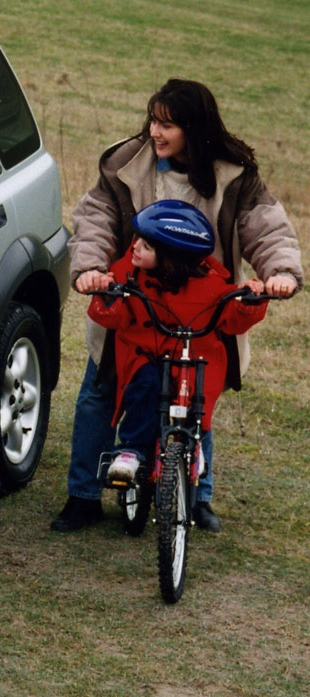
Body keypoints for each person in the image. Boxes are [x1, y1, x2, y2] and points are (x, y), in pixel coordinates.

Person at [53, 79, 301, 533]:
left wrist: (280, 272)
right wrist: (91, 268)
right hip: (133, 304)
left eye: (167, 124)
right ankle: (83, 494)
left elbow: (267, 228)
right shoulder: (125, 163)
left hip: (199, 308)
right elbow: (96, 219)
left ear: (195, 127)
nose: (155, 132)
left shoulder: (234, 175)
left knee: (196, 401)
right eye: (153, 120)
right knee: (99, 393)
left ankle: (196, 496)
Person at [90, 201, 268, 488]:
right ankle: (131, 450)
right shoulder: (128, 273)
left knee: (197, 402)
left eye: (145, 246)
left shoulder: (211, 284)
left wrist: (249, 300)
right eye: (137, 239)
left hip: (193, 358)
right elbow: (116, 318)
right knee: (145, 386)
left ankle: (194, 453)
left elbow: (232, 317)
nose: (134, 247)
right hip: (145, 355)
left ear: (169, 257)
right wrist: (107, 292)